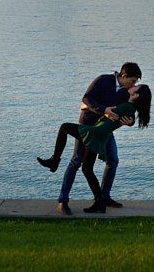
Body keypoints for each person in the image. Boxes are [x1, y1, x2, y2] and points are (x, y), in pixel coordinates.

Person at [40, 63, 142, 215]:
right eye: (133, 81)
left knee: (113, 160)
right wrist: (104, 110)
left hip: (104, 130)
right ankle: (63, 201)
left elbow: (128, 112)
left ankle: (104, 197)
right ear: (124, 76)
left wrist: (131, 122)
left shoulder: (126, 93)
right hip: (87, 125)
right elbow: (86, 99)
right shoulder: (103, 80)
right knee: (76, 161)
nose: (134, 84)